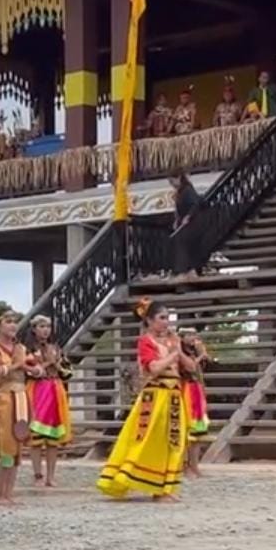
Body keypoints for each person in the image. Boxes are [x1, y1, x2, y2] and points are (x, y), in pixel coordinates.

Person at [97, 298, 194, 502]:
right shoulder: (145, 342)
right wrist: (173, 354)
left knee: (172, 441)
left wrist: (179, 351)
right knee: (147, 439)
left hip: (174, 395)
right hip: (155, 396)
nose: (166, 322)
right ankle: (137, 479)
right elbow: (154, 368)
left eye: (168, 318)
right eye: (162, 318)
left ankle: (165, 488)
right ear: (149, 320)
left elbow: (191, 368)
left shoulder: (171, 341)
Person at [0, 306, 31, 505]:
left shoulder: (20, 348)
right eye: (8, 321)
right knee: (6, 443)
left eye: (14, 321)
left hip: (20, 397)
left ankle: (9, 493)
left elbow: (35, 369)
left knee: (17, 443)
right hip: (4, 398)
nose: (13, 325)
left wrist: (34, 367)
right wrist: (17, 365)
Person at [25, 315, 72, 488]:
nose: (45, 330)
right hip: (37, 390)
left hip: (55, 390)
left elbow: (68, 372)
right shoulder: (27, 349)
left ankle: (51, 476)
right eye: (41, 326)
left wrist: (58, 365)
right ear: (34, 329)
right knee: (36, 436)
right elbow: (27, 371)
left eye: (48, 326)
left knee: (53, 437)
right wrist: (46, 364)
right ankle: (37, 475)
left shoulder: (56, 348)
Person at [179, 329, 211, 479]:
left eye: (195, 335)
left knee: (199, 430)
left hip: (197, 390)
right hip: (186, 390)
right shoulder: (179, 351)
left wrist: (202, 355)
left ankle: (195, 465)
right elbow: (187, 368)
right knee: (186, 430)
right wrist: (200, 357)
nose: (193, 338)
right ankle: (184, 465)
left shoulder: (194, 350)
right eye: (190, 335)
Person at [170, 170, 202, 277]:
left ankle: (184, 270)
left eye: (172, 181)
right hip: (184, 223)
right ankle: (186, 269)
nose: (172, 185)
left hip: (192, 223)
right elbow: (179, 210)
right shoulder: (180, 192)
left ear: (178, 177)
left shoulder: (188, 190)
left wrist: (188, 216)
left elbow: (195, 204)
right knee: (180, 243)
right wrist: (177, 220)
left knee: (184, 244)